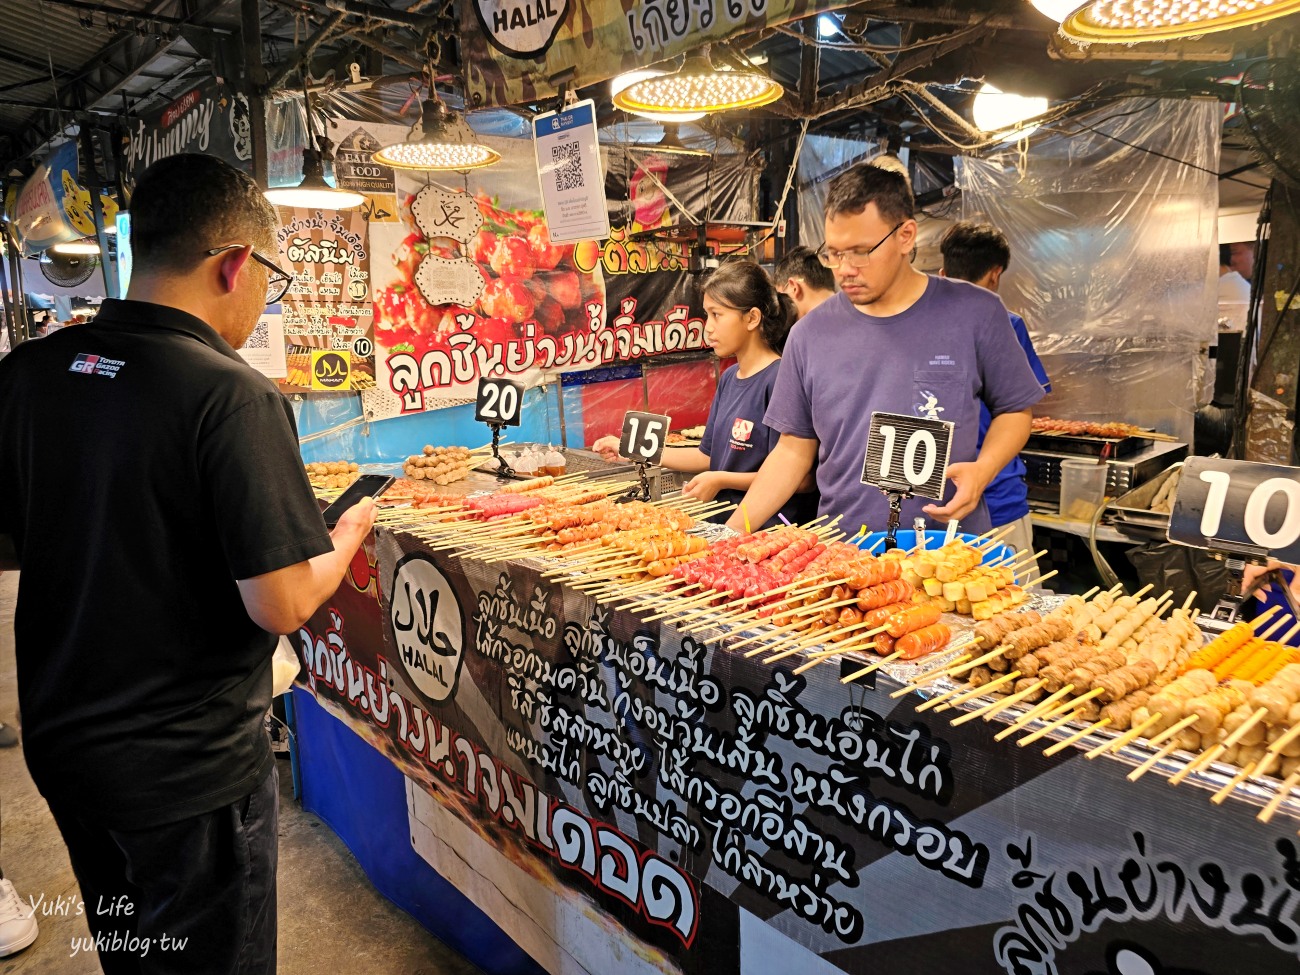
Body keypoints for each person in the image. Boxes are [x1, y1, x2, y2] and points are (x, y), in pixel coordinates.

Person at [0, 153, 376, 975]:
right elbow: (278, 604)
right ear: (234, 262)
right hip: (185, 775)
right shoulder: (230, 394)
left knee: (137, 953)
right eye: (268, 279)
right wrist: (342, 541)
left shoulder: (30, 374)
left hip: (68, 750)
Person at [725, 164, 1046, 536]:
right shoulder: (809, 334)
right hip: (844, 556)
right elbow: (793, 450)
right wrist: (731, 536)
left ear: (906, 236)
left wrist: (984, 469)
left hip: (947, 551)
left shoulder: (976, 312)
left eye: (861, 252)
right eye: (834, 254)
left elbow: (1015, 410)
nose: (845, 270)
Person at [593, 261, 804, 527]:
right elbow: (706, 456)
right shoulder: (729, 378)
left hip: (767, 533)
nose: (708, 327)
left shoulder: (780, 380)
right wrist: (633, 449)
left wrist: (721, 479)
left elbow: (799, 478)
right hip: (723, 525)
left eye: (717, 315)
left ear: (751, 318)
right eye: (707, 315)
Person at [939, 221, 1051, 575]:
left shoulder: (920, 327)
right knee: (1015, 611)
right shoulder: (1007, 322)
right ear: (995, 274)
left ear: (942, 272)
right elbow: (1024, 403)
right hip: (998, 496)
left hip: (936, 495)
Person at [773, 246, 836, 321]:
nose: (783, 309)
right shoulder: (851, 312)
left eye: (782, 298)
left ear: (793, 287)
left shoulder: (802, 330)